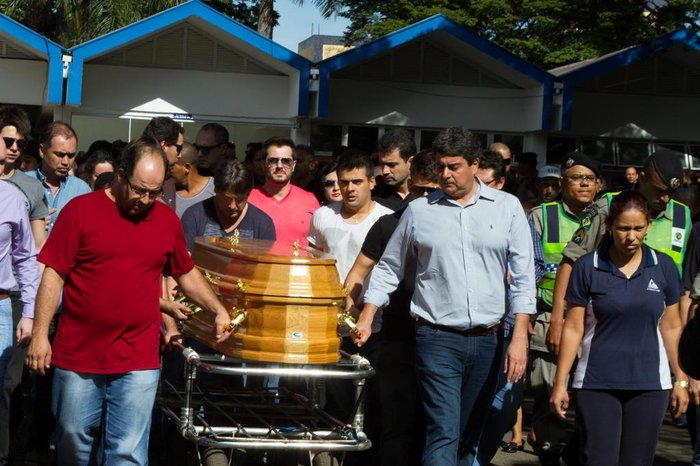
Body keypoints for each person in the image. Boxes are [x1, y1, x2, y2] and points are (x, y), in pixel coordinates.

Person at [25, 137, 233, 466]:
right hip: (79, 354)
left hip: (138, 358)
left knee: (128, 452)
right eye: (139, 190)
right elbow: (54, 275)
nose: (145, 200)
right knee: (72, 439)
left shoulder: (165, 220)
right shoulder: (80, 211)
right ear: (121, 174)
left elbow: (186, 273)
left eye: (154, 192)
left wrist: (218, 309)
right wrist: (39, 335)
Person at [352, 127, 535, 466]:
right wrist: (367, 314)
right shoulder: (420, 211)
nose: (445, 175)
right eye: (440, 167)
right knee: (443, 430)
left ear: (475, 164)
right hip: (436, 338)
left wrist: (520, 336)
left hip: (488, 341)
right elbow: (389, 267)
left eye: (454, 166)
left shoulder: (507, 209)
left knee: (469, 433)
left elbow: (524, 278)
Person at [550, 190, 689, 465]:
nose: (631, 236)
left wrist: (681, 380)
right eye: (623, 228)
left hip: (650, 384)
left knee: (638, 461)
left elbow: (672, 328)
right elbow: (573, 328)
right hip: (596, 383)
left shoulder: (664, 267)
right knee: (599, 459)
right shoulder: (586, 267)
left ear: (649, 226)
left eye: (638, 228)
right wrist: (560, 383)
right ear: (609, 226)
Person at [342, 149, 437, 466]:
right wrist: (351, 313)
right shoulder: (389, 225)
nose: (423, 198)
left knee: (433, 425)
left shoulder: (455, 226)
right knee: (395, 422)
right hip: (395, 338)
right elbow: (357, 274)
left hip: (443, 339)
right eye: (419, 190)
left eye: (431, 191)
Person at [547, 149, 692, 357]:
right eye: (659, 190)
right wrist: (557, 320)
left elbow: (684, 284)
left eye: (671, 192)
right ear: (642, 178)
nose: (666, 198)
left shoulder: (682, 215)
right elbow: (571, 260)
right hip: (607, 328)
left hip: (661, 334)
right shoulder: (608, 205)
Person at [528, 152, 602, 465]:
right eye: (575, 178)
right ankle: (547, 450)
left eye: (589, 179)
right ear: (562, 183)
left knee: (588, 399)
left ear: (599, 185)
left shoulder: (607, 218)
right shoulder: (541, 216)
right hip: (549, 320)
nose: (583, 184)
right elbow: (527, 270)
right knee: (548, 396)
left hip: (596, 323)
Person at [181, 159, 276, 250]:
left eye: (239, 199)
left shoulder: (263, 224)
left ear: (248, 194)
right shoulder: (194, 216)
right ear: (216, 190)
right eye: (226, 199)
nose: (233, 206)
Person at [247, 136, 319, 248]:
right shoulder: (248, 199)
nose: (279, 166)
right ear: (263, 164)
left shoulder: (310, 200)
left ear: (294, 165)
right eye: (273, 161)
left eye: (286, 161)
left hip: (298, 265)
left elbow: (318, 246)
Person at [27, 122, 91, 236]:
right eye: (60, 154)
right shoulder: (23, 184)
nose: (66, 162)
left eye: (71, 156)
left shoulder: (82, 190)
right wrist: (29, 223)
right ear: (42, 151)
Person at [0, 105, 48, 249]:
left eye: (21, 143)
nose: (14, 148)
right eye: (8, 141)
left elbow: (38, 244)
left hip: (17, 269)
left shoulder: (33, 186)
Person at [373, 129, 415, 211]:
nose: (385, 171)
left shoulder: (427, 196)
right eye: (382, 164)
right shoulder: (374, 197)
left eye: (391, 165)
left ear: (410, 162)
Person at [171, 142, 216, 218]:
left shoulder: (216, 189)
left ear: (187, 167)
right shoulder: (169, 194)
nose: (166, 172)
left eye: (171, 167)